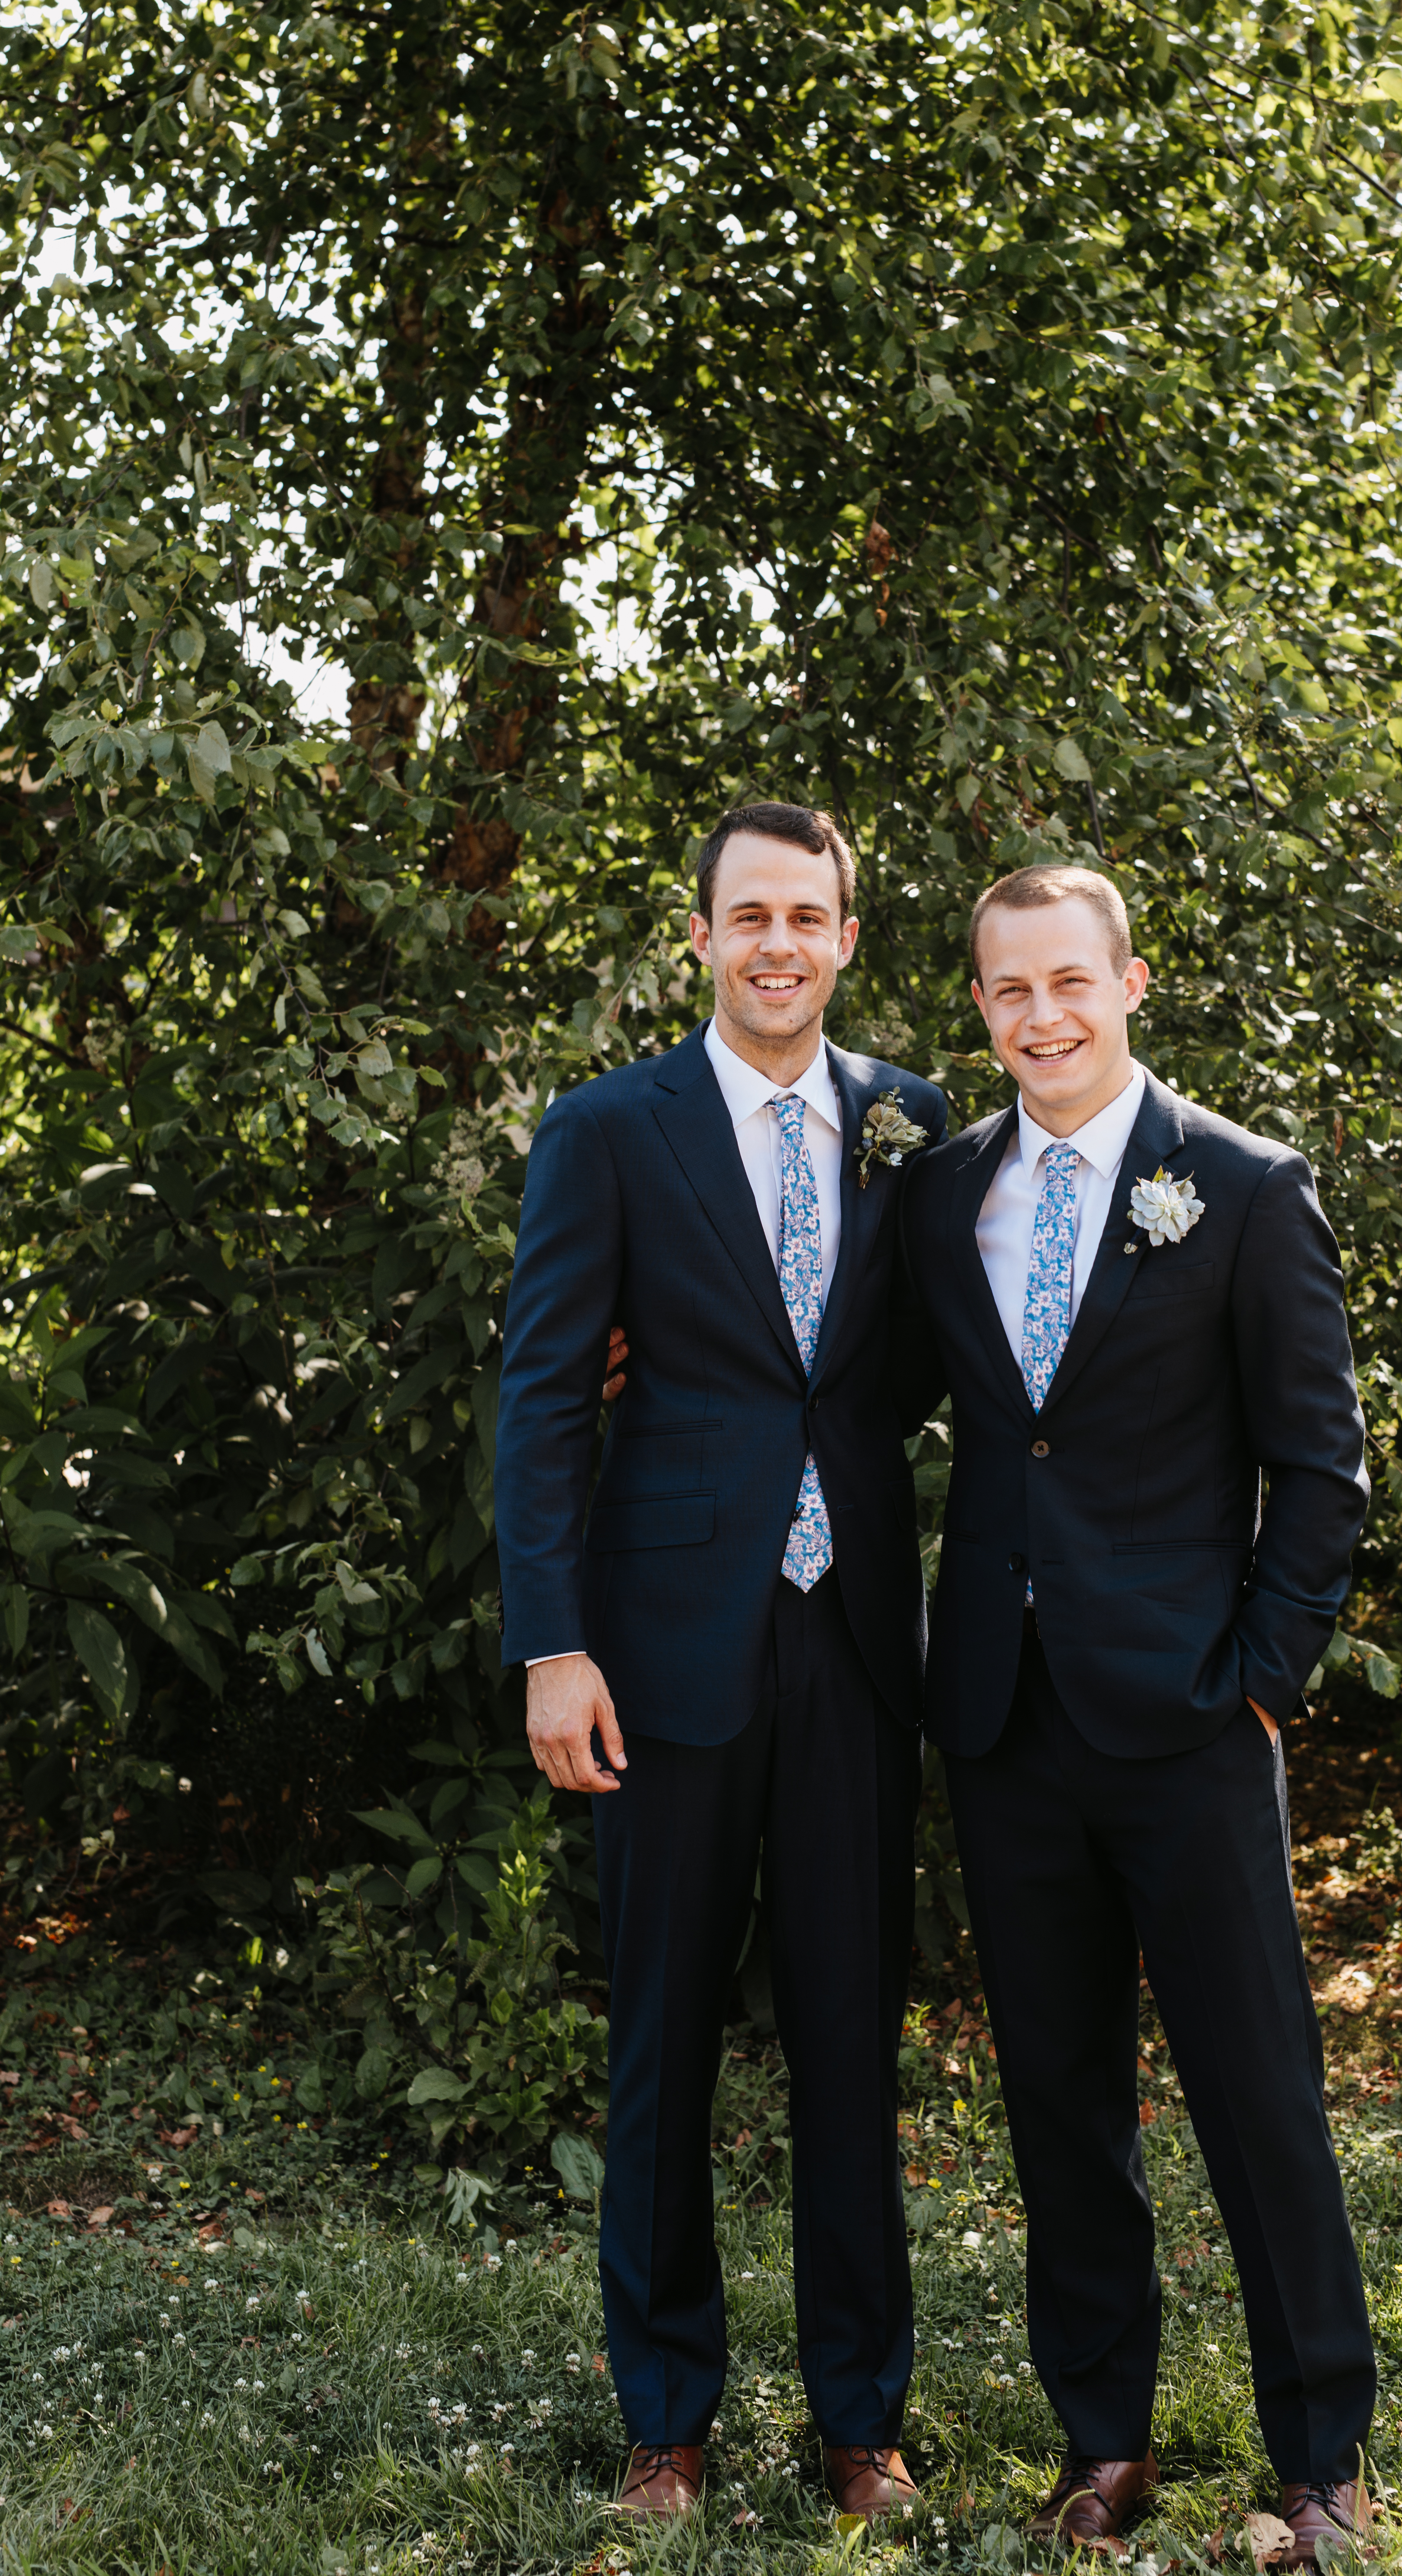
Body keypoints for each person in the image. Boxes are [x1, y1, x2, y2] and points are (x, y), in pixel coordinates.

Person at [898, 862, 1376, 2567]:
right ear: (979, 1005)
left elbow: (1320, 1468)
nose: (1039, 1014)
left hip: (1187, 1718)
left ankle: (1321, 2449)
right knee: (1059, 2096)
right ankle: (1103, 2437)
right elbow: (876, 1388)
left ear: (1130, 980)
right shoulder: (942, 1189)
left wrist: (1255, 1682)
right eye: (1006, 988)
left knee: (1258, 2094)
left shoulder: (1239, 1187)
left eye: (1066, 981)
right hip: (1006, 1719)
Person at [493, 801, 945, 2524]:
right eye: (745, 913)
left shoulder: (909, 1118)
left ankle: (862, 2420)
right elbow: (540, 1398)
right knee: (663, 2045)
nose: (777, 942)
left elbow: (921, 1348)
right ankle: (665, 2420)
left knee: (849, 2038)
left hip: (852, 1641)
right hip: (661, 1647)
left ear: (845, 935)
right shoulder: (610, 1128)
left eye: (807, 915)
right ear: (699, 936)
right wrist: (552, 1642)